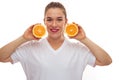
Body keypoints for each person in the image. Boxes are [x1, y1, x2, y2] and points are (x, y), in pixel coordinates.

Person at [0, 1, 112, 80]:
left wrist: (84, 39)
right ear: (44, 21)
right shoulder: (29, 48)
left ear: (66, 21)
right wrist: (23, 38)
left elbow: (106, 61)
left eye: (59, 19)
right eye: (49, 19)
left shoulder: (78, 50)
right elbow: (1, 57)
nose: (54, 24)